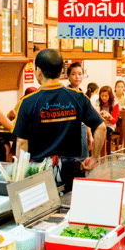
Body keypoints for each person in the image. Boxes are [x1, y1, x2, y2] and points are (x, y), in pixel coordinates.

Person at [12, 49, 105, 187]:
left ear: (38, 71)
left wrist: (18, 178)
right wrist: (94, 158)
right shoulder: (78, 97)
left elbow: (21, 143)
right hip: (72, 170)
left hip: (39, 172)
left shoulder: (27, 102)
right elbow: (101, 127)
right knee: (71, 205)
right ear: (62, 70)